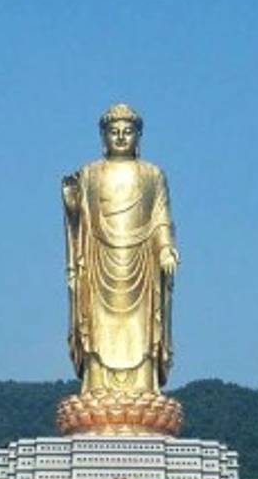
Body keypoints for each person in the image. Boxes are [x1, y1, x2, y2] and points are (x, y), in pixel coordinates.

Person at [62, 103, 179, 397]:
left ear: (138, 136)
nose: (121, 137)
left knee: (143, 328)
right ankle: (96, 384)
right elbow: (80, 218)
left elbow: (161, 217)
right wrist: (72, 203)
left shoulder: (152, 174)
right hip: (98, 259)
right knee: (97, 323)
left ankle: (145, 386)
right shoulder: (90, 173)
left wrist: (166, 250)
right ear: (103, 137)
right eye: (114, 132)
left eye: (128, 132)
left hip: (142, 262)